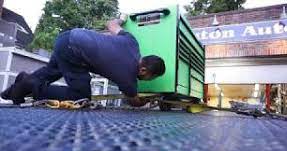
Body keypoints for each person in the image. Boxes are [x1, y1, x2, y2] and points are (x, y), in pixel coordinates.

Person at [1, 17, 166, 107]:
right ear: (143, 70)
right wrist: (147, 101)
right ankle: (30, 85)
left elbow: (111, 24)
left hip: (68, 36)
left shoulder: (132, 42)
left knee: (51, 72)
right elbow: (134, 102)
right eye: (151, 78)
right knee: (81, 97)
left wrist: (121, 19)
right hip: (73, 51)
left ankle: (15, 88)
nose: (147, 81)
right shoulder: (129, 79)